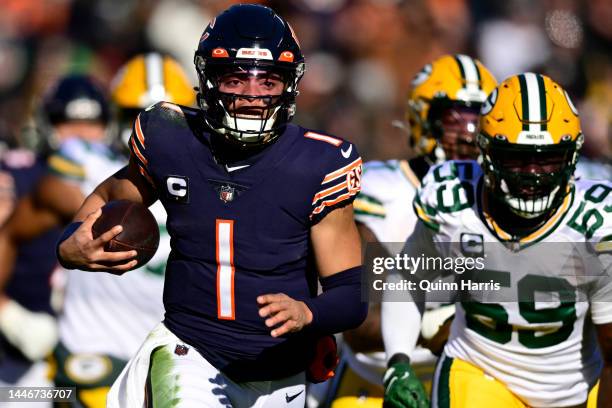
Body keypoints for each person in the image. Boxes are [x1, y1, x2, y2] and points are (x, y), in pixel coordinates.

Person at [57, 4, 367, 408]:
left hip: (279, 371)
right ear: (209, 79)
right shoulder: (171, 138)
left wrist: (310, 313)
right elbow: (108, 198)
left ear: (289, 85)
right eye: (237, 79)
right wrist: (69, 245)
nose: (253, 96)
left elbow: (353, 293)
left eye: (268, 81)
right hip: (191, 351)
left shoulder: (319, 164)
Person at [382, 72, 611, 407]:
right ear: (486, 151)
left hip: (574, 389)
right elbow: (408, 277)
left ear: (571, 156)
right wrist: (398, 363)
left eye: (547, 158)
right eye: (517, 156)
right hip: (479, 373)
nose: (531, 173)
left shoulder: (596, 223)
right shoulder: (453, 200)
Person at [315, 54, 498, 408]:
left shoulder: (500, 195)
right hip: (373, 382)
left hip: (472, 378)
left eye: (480, 120)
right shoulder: (378, 187)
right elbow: (364, 325)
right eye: (455, 120)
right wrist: (435, 324)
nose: (470, 134)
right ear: (422, 119)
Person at [0, 75, 112, 403]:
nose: (80, 135)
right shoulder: (18, 179)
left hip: (101, 351)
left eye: (91, 124)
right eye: (68, 123)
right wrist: (8, 315)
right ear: (47, 125)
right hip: (22, 362)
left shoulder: (124, 179)